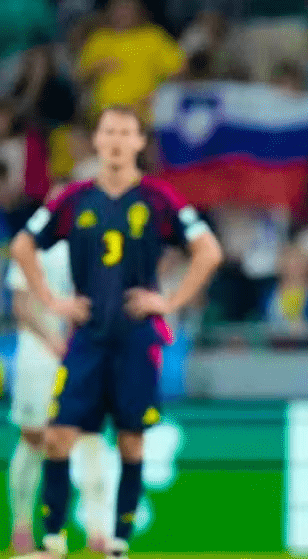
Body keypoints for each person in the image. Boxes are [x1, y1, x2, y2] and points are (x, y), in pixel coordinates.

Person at [10, 105, 222, 559]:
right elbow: (23, 244)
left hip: (137, 338)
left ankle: (118, 543)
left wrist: (169, 301)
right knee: (58, 435)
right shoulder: (74, 198)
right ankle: (52, 541)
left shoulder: (161, 198)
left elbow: (209, 251)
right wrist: (51, 299)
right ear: (98, 140)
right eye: (110, 131)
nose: (117, 140)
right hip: (85, 335)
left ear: (140, 143)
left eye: (127, 132)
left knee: (130, 439)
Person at [7, 232, 111, 554]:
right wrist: (52, 338)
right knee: (35, 437)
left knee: (89, 435)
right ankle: (22, 526)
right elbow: (21, 305)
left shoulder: (97, 243)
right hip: (38, 352)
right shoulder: (31, 243)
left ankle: (97, 531)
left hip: (81, 352)